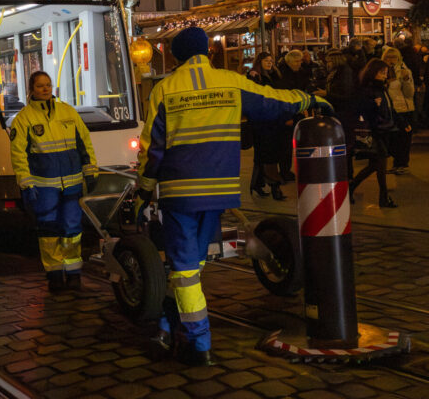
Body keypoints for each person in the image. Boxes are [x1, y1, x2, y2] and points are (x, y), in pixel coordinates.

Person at [138, 27, 328, 366]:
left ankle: (198, 344)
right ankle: (169, 321)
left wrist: (142, 189)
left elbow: (153, 148)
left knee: (183, 271)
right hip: (220, 190)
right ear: (208, 52)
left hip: (180, 192)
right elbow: (275, 102)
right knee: (193, 263)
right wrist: (309, 99)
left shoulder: (165, 89)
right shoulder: (231, 82)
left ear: (177, 57)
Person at [9, 71, 98, 292]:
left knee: (72, 229)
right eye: (40, 86)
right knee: (48, 231)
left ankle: (74, 273)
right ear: (31, 89)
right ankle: (55, 275)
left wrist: (91, 171)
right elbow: (19, 155)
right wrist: (26, 184)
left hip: (72, 184)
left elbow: (85, 143)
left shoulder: (68, 112)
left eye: (48, 85)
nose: (45, 89)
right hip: (43, 187)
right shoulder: (24, 119)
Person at [351, 59, 400, 208]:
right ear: (373, 72)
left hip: (383, 130)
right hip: (375, 131)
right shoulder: (368, 89)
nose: (384, 75)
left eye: (385, 72)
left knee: (375, 166)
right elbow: (361, 109)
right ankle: (383, 198)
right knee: (380, 164)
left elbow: (389, 109)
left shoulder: (381, 88)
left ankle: (350, 188)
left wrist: (401, 122)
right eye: (381, 72)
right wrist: (374, 105)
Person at [246, 52, 286, 200]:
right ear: (259, 62)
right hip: (262, 122)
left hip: (273, 119)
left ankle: (257, 183)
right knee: (268, 155)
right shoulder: (255, 77)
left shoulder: (273, 75)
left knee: (263, 155)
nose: (270, 63)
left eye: (271, 60)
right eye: (266, 60)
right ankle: (275, 187)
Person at [321, 50, 358, 185]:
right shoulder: (335, 73)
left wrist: (326, 94)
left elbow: (346, 96)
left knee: (344, 145)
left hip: (344, 114)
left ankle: (347, 175)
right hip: (337, 112)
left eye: (329, 61)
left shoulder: (344, 73)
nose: (327, 64)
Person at [274, 49, 309, 182]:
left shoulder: (298, 73)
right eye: (297, 61)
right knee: (285, 146)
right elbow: (283, 97)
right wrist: (286, 117)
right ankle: (284, 171)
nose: (299, 63)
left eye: (300, 61)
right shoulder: (282, 75)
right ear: (290, 61)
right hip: (287, 113)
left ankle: (290, 170)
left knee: (293, 144)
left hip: (298, 111)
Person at [381, 47, 414, 175]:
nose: (391, 60)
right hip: (388, 109)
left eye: (394, 57)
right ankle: (397, 162)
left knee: (403, 138)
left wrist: (406, 80)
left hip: (402, 109)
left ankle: (402, 164)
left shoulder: (404, 71)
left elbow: (409, 93)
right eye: (388, 57)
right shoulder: (381, 71)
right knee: (392, 138)